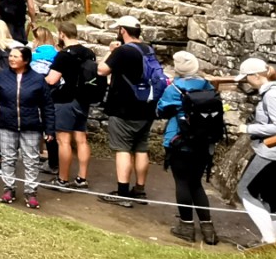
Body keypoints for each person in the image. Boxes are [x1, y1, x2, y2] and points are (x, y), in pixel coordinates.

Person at [155, 51, 226, 243]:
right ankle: (208, 229)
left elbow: (160, 110)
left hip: (180, 140)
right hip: (204, 142)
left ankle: (186, 226)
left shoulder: (175, 89)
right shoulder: (208, 86)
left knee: (182, 182)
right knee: (196, 183)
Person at [234, 57, 276, 243]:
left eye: (246, 77)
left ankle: (270, 239)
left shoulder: (273, 94)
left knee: (245, 191)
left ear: (256, 76)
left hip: (273, 152)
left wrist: (249, 129)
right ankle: (268, 241)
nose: (245, 81)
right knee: (270, 196)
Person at [98, 18, 160, 207]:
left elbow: (102, 70)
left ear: (123, 30)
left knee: (123, 149)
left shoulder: (122, 51)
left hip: (124, 107)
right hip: (146, 106)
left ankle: (123, 193)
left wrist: (110, 52)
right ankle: (139, 190)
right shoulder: (148, 49)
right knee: (141, 148)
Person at [0, 45, 54, 209]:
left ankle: (31, 191)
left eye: (16, 57)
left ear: (25, 60)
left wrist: (49, 129)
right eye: (10, 56)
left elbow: (47, 106)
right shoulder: (1, 77)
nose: (11, 59)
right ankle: (8, 189)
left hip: (31, 126)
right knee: (8, 159)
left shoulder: (38, 79)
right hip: (6, 125)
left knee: (31, 161)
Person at [45, 24, 100, 188]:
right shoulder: (89, 53)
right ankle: (82, 178)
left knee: (64, 140)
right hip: (83, 100)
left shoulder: (63, 55)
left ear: (62, 34)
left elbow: (52, 79)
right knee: (82, 139)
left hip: (65, 100)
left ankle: (62, 178)